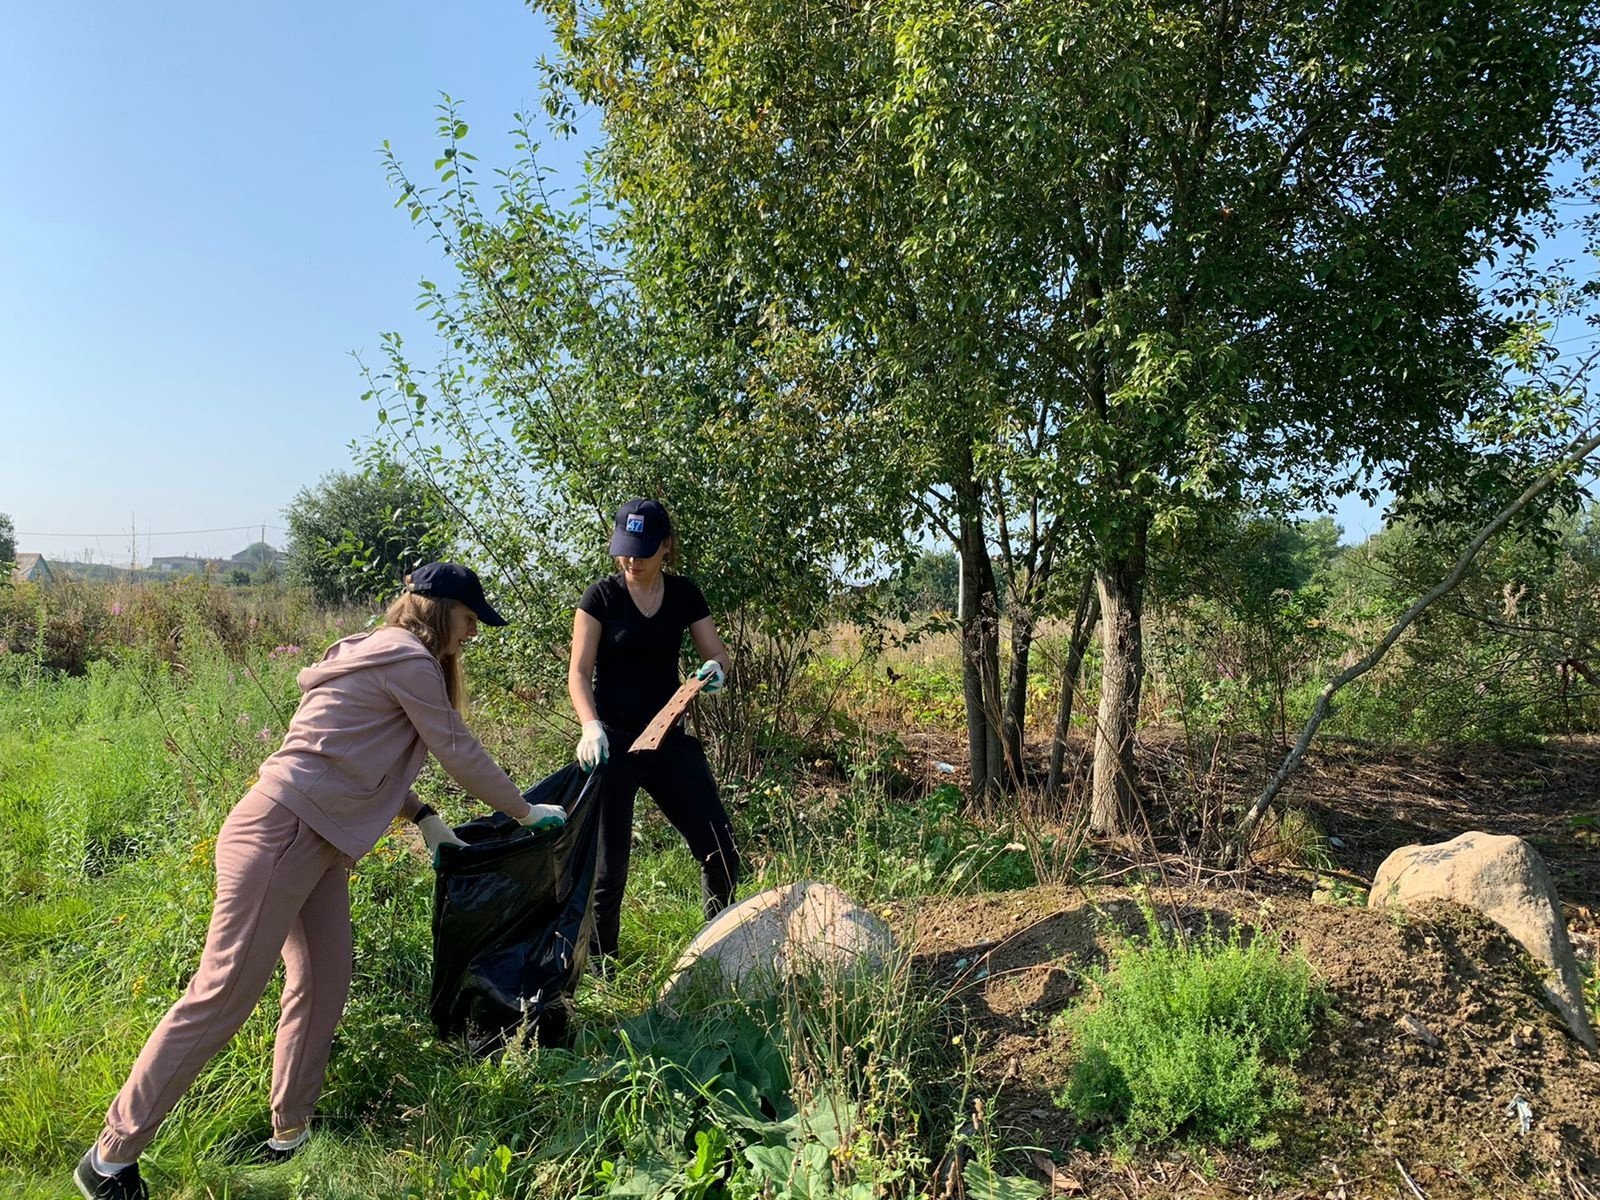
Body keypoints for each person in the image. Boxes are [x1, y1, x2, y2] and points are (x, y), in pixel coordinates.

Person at [75, 563, 565, 1200]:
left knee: (325, 977)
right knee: (220, 996)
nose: (472, 635)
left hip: (315, 842)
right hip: (281, 837)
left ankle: (290, 1131)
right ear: (442, 610)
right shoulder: (407, 658)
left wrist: (424, 817)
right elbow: (456, 748)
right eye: (471, 620)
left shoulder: (367, 654)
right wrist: (524, 812)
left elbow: (349, 753)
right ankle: (109, 1159)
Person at [568, 498, 739, 964]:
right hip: (613, 742)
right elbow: (579, 673)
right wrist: (590, 726)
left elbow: (717, 653)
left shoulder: (685, 595)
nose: (632, 560)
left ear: (666, 546)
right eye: (625, 550)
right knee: (609, 872)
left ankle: (715, 957)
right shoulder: (600, 597)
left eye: (643, 550)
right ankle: (604, 970)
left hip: (666, 735)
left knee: (720, 850)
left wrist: (715, 669)